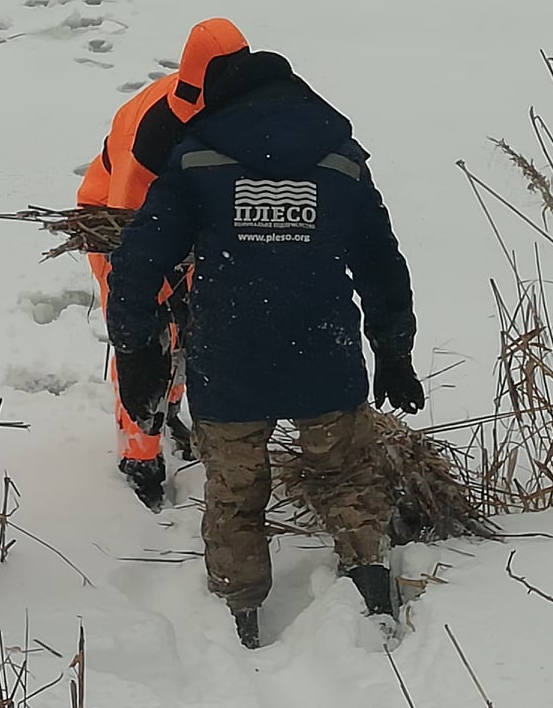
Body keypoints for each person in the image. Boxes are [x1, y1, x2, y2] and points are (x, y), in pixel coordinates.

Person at [106, 46, 425, 649]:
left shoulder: (196, 160)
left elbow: (137, 261)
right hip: (324, 352)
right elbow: (382, 264)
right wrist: (394, 348)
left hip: (230, 357)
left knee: (234, 493)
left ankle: (241, 615)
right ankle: (371, 585)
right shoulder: (341, 161)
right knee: (347, 473)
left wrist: (133, 344)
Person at [77, 18, 251, 510]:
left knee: (188, 329)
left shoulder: (229, 104)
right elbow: (137, 238)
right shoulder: (152, 134)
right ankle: (139, 454)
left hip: (188, 229)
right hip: (116, 221)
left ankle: (170, 410)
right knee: (147, 341)